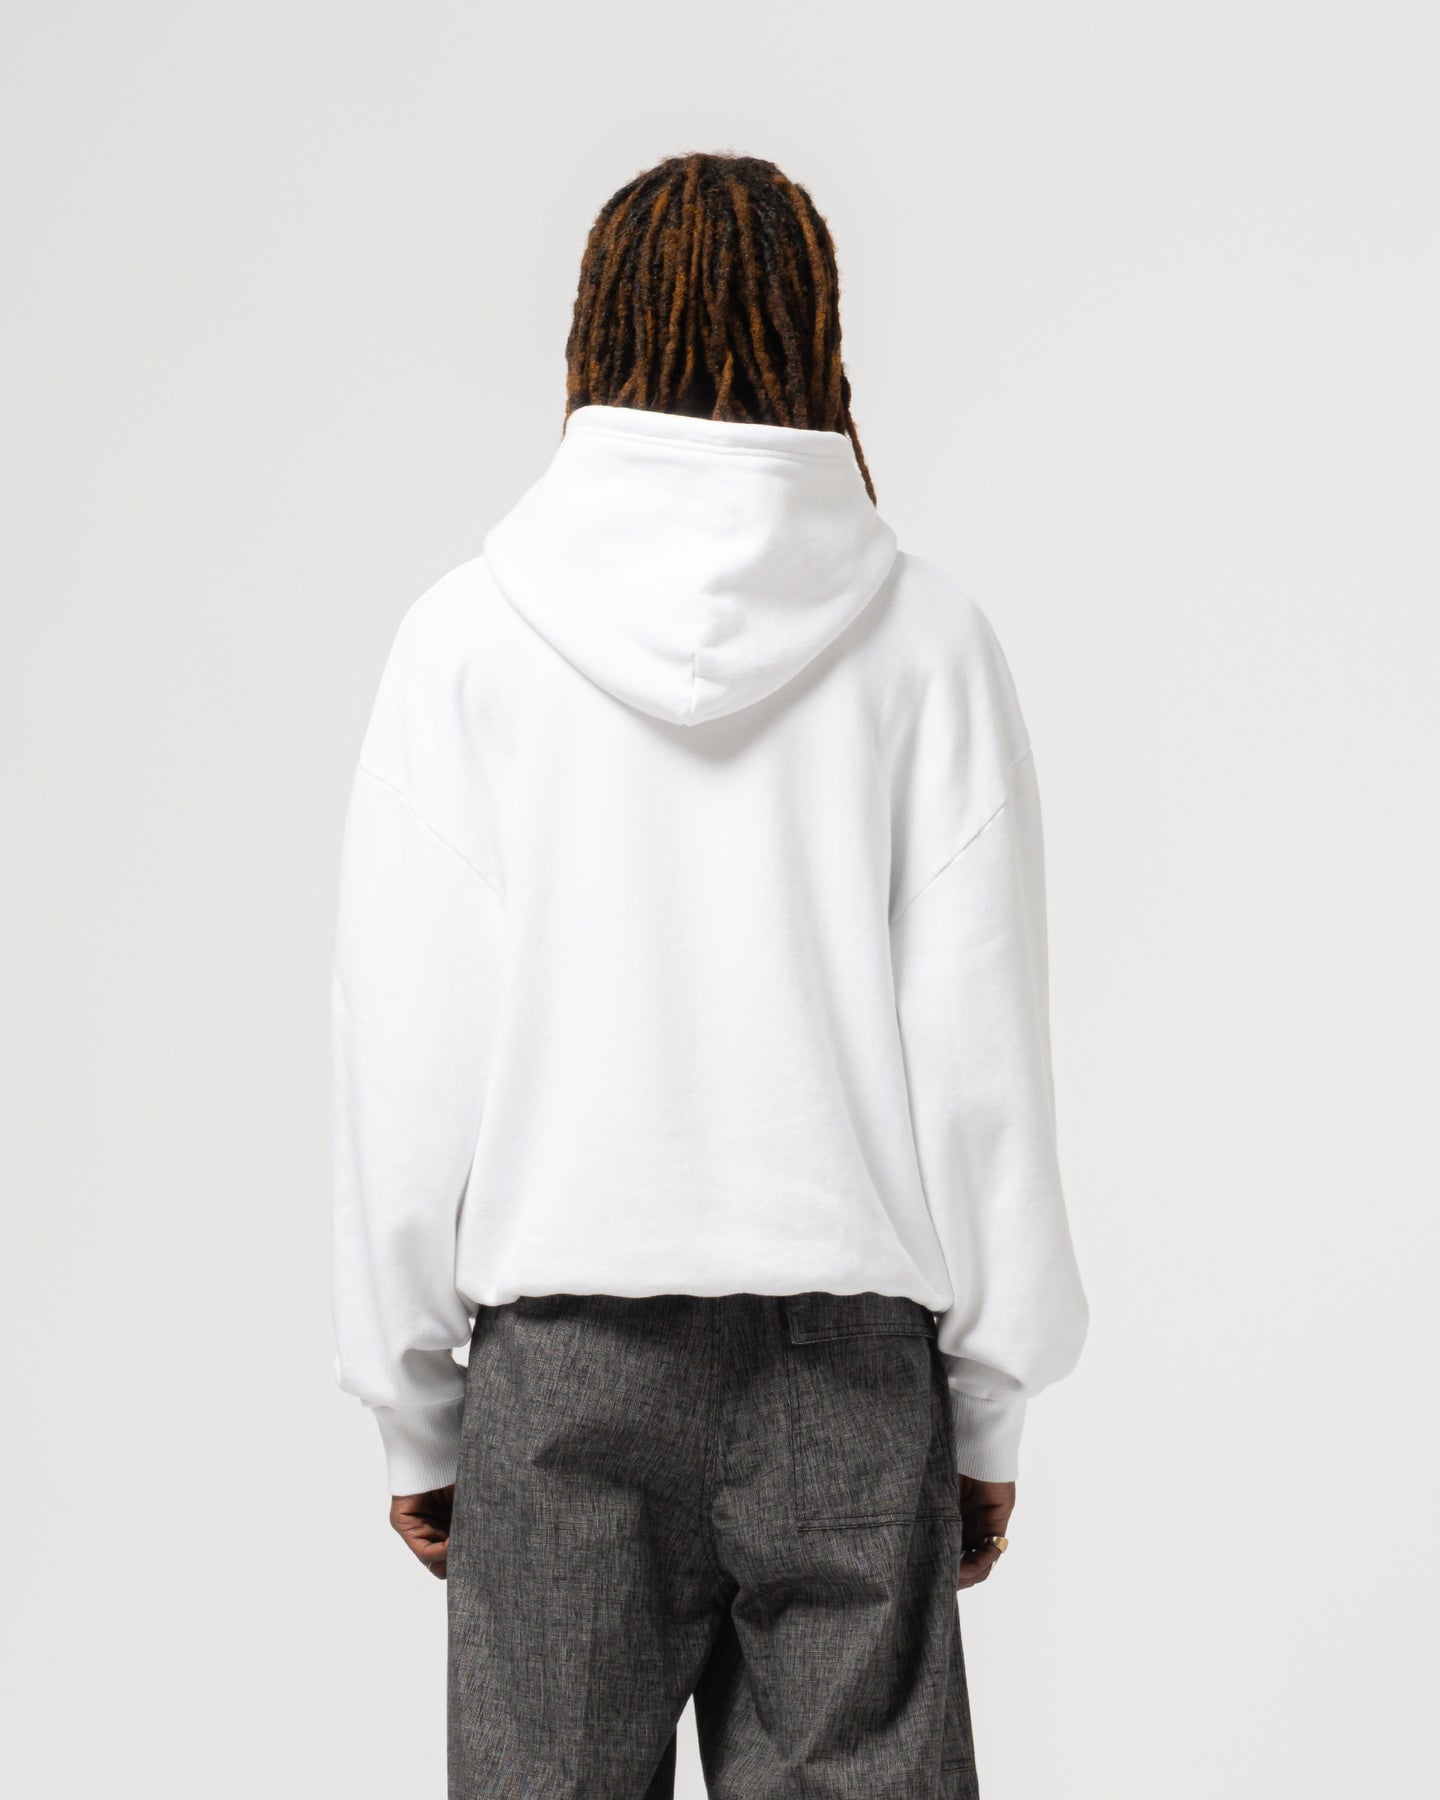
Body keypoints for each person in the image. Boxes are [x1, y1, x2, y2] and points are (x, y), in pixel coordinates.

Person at [330, 150, 1088, 1799]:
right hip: (849, 1380)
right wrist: (987, 1406)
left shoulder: (468, 641)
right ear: (817, 335)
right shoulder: (925, 644)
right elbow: (980, 1061)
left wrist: (414, 1406)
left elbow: (408, 1056)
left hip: (560, 1378)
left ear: (594, 331)